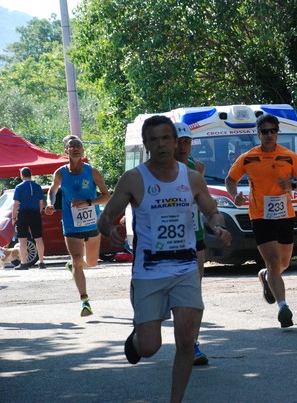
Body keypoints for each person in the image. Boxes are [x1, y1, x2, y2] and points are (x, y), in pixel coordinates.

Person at [97, 115, 231, 403]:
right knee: (149, 347)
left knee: (186, 340)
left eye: (165, 138)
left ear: (175, 142)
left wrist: (218, 226)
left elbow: (211, 211)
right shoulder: (134, 178)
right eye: (154, 139)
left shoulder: (192, 178)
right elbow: (106, 217)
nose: (160, 145)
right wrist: (111, 230)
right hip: (149, 271)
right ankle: (136, 339)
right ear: (145, 144)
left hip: (185, 268)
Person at [225, 113, 297, 328]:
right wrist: (234, 194)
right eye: (265, 131)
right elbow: (230, 179)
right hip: (260, 216)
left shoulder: (289, 157)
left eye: (273, 131)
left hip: (285, 216)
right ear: (258, 134)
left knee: (283, 263)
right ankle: (283, 307)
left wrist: (291, 186)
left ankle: (265, 276)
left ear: (278, 133)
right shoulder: (248, 158)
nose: (269, 135)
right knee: (273, 262)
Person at [45, 135, 111, 317]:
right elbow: (52, 190)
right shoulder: (60, 173)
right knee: (76, 260)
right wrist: (50, 203)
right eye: (72, 146)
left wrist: (88, 202)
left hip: (92, 223)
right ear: (66, 151)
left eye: (79, 146)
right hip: (71, 225)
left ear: (83, 151)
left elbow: (107, 196)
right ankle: (85, 301)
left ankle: (73, 266)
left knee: (92, 262)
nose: (75, 148)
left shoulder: (92, 172)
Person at [174, 121, 209, 366]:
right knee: (172, 298)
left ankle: (193, 344)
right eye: (179, 141)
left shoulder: (197, 167)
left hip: (194, 237)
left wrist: (215, 220)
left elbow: (202, 200)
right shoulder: (156, 169)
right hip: (167, 243)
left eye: (187, 141)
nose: (184, 145)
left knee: (194, 294)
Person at [12, 167, 46, 270]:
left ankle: (24, 263)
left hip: (23, 213)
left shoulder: (19, 187)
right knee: (38, 238)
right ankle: (41, 262)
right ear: (31, 174)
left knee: (22, 239)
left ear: (22, 175)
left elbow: (16, 204)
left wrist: (13, 218)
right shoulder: (37, 186)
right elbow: (41, 202)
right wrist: (38, 211)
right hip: (35, 213)